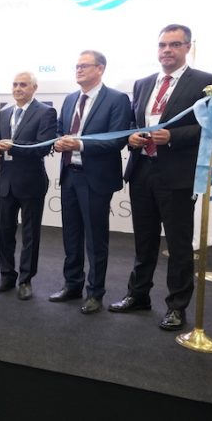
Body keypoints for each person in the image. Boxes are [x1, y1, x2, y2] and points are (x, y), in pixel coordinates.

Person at [109, 24, 212, 331]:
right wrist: (133, 137)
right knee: (144, 240)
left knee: (178, 244)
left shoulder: (206, 82)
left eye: (174, 45)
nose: (167, 50)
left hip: (177, 175)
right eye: (162, 45)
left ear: (188, 47)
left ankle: (176, 306)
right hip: (142, 170)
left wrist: (173, 136)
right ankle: (138, 295)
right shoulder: (143, 83)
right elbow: (135, 122)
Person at [49, 50, 130, 314]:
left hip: (96, 178)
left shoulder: (117, 99)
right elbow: (60, 130)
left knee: (95, 239)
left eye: (84, 66)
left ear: (100, 69)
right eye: (77, 66)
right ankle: (72, 285)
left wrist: (80, 144)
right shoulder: (70, 98)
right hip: (70, 174)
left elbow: (117, 139)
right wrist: (59, 141)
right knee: (71, 235)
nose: (79, 70)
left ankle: (95, 292)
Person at [0, 72, 57, 300]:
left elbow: (43, 147)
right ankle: (7, 276)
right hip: (6, 181)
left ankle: (26, 280)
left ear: (34, 88)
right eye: (15, 84)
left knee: (30, 235)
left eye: (23, 85)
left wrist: (12, 146)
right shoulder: (4, 112)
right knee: (4, 232)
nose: (18, 88)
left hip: (31, 182)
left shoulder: (46, 112)